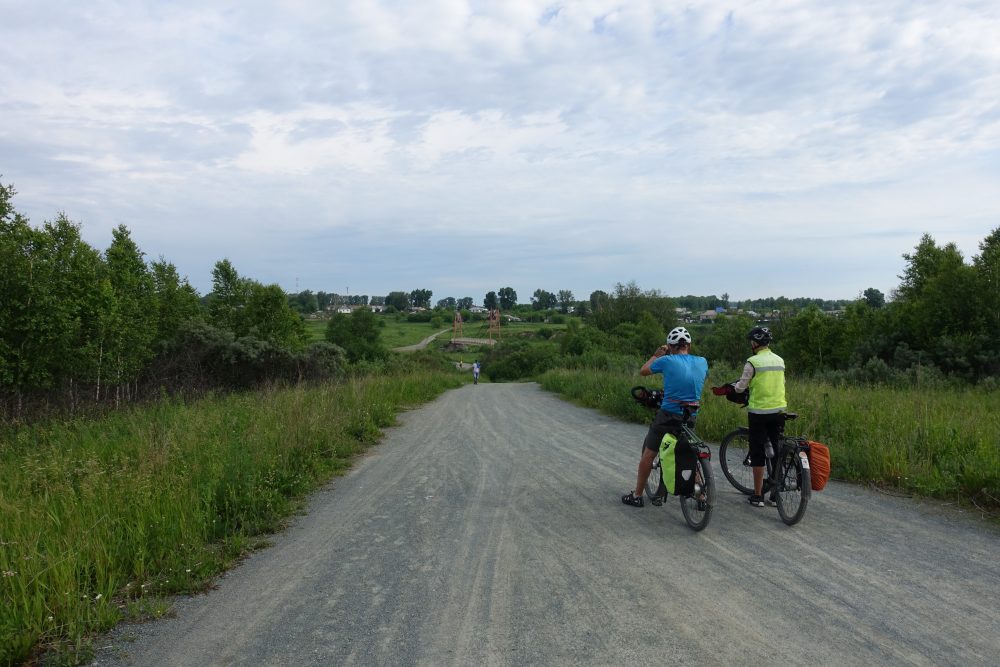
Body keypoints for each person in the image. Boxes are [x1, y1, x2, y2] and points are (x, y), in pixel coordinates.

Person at [621, 327, 709, 507]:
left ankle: (637, 495)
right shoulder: (702, 361)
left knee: (649, 454)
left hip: (669, 414)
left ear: (670, 346)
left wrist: (657, 355)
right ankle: (701, 497)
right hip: (691, 414)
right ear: (689, 345)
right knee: (688, 451)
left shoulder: (667, 360)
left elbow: (643, 371)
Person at [731, 326, 786, 507]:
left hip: (759, 413)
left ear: (755, 343)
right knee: (776, 449)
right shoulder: (779, 360)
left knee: (758, 452)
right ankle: (775, 495)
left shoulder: (752, 362)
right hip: (779, 410)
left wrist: (735, 388)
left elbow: (741, 387)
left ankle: (757, 496)